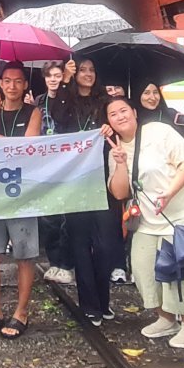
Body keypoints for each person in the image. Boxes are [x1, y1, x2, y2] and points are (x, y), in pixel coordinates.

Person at [106, 96, 184, 349]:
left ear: (134, 112)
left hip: (181, 214)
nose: (120, 116)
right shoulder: (117, 149)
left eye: (124, 110)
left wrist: (169, 193)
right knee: (143, 268)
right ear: (109, 122)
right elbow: (119, 192)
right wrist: (120, 163)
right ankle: (166, 318)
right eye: (113, 114)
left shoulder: (159, 130)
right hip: (147, 218)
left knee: (179, 272)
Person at [0, 62, 42, 339]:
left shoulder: (33, 112)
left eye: (17, 81)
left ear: (25, 85)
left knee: (24, 255)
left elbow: (29, 147)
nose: (12, 86)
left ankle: (21, 311)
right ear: (0, 84)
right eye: (7, 81)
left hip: (22, 192)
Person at [63, 57, 122, 316]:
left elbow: (121, 125)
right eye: (82, 70)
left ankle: (103, 299)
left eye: (92, 69)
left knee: (105, 243)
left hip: (103, 176)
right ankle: (89, 304)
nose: (87, 74)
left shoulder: (106, 102)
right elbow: (55, 118)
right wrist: (64, 80)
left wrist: (112, 129)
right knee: (80, 241)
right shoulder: (66, 100)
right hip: (75, 179)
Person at [36, 61, 74, 285]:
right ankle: (54, 262)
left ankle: (67, 264)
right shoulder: (39, 102)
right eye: (49, 75)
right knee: (48, 217)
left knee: (65, 217)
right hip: (44, 165)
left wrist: (66, 85)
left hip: (68, 164)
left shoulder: (68, 97)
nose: (53, 79)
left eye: (57, 75)